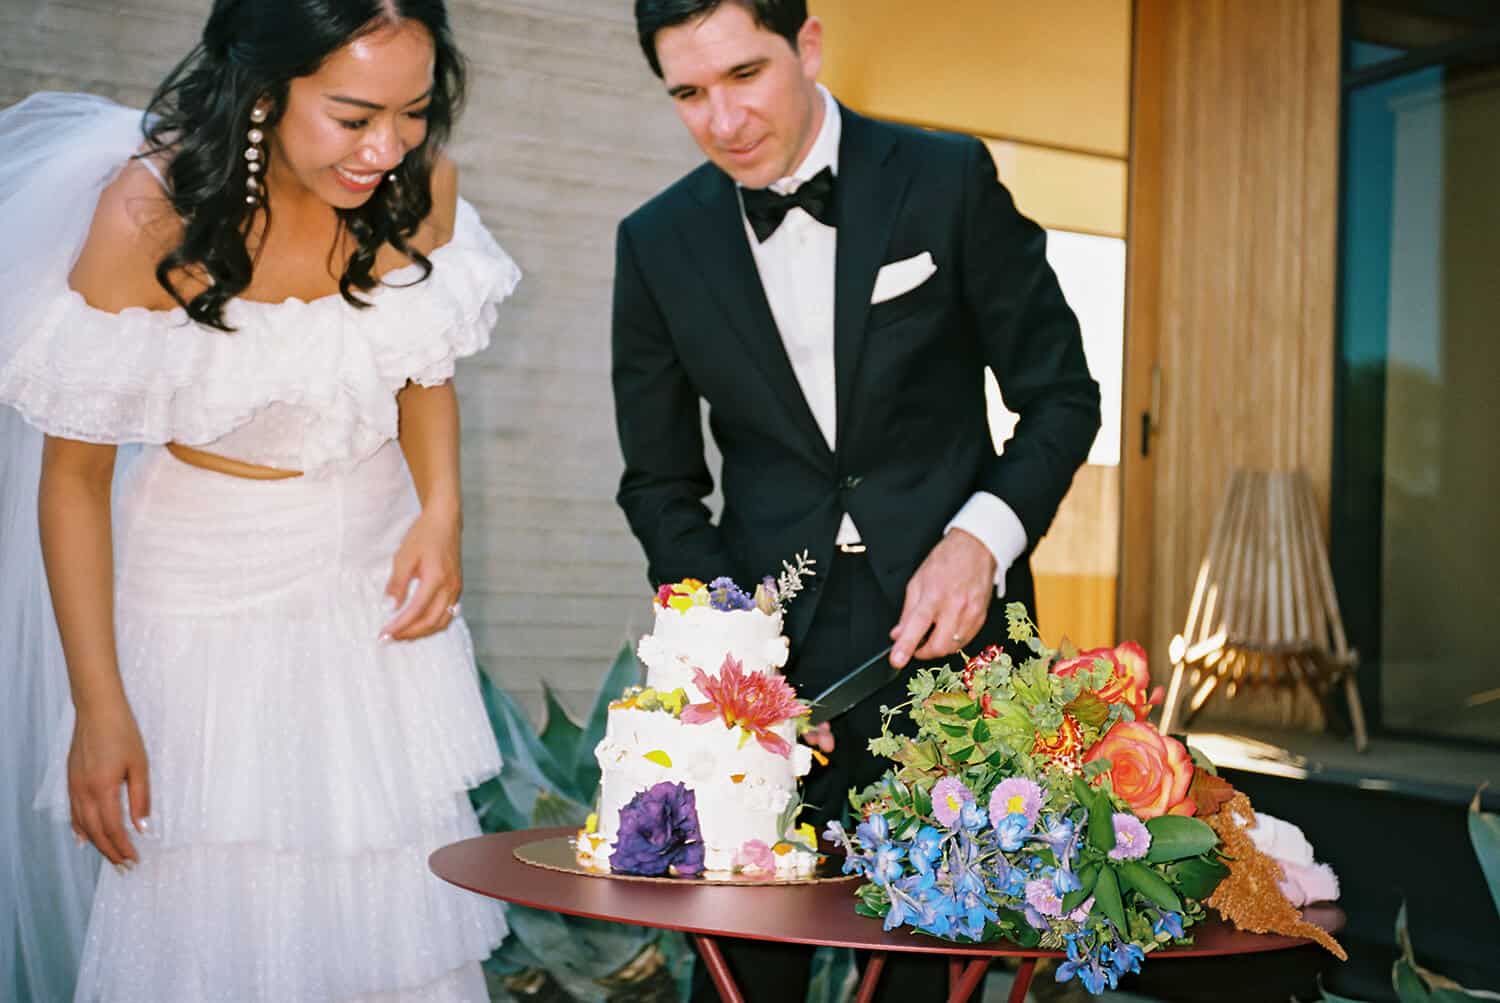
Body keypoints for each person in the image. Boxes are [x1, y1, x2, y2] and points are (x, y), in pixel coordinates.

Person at [0, 2, 519, 999]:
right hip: (203, 587)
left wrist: (440, 509)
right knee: (217, 885)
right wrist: (98, 707)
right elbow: (73, 480)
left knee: (389, 866)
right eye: (355, 114)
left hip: (371, 571)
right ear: (264, 89)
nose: (390, 146)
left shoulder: (418, 188)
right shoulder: (147, 216)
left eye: (414, 111)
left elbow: (423, 363)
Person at [612, 0, 1101, 998]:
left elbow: (1062, 397)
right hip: (769, 671)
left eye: (746, 75)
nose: (723, 120)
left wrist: (981, 539)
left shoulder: (946, 178)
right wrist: (737, 657)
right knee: (742, 967)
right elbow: (660, 483)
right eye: (688, 94)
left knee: (930, 967)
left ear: (811, 44)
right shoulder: (656, 241)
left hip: (956, 646)